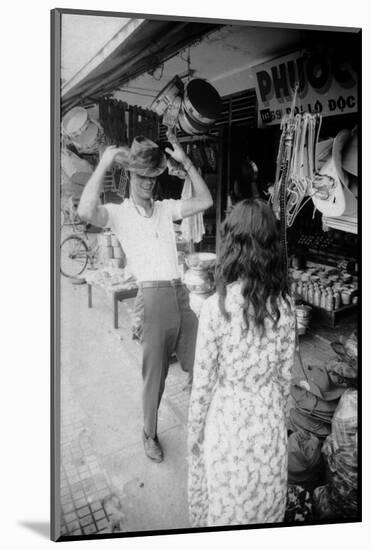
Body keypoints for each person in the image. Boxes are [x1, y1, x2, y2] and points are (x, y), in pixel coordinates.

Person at [78, 133, 213, 463]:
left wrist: (187, 163)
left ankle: (202, 427)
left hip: (181, 294)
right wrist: (104, 163)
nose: (148, 184)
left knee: (202, 365)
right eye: (142, 177)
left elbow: (206, 201)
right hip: (152, 300)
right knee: (155, 377)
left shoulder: (166, 209)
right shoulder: (119, 213)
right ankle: (149, 433)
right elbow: (85, 210)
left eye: (153, 177)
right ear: (129, 175)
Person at [187, 198, 296, 527]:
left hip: (228, 424)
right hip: (268, 423)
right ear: (270, 247)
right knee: (265, 501)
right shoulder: (286, 307)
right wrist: (276, 418)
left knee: (229, 508)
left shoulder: (215, 309)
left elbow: (203, 386)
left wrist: (194, 435)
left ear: (231, 243)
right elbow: (283, 381)